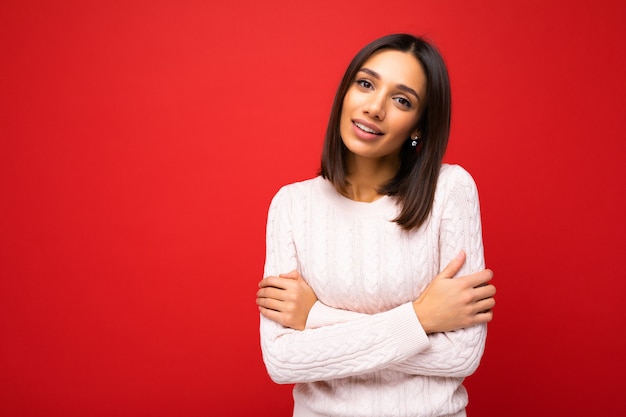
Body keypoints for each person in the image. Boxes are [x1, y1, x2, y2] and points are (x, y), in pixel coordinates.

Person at [256, 33, 496, 417]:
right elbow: (284, 360)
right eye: (365, 84)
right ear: (345, 93)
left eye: (402, 100)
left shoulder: (451, 191)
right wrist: (422, 319)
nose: (374, 107)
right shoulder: (292, 205)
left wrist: (316, 318)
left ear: (419, 125)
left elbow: (460, 356)